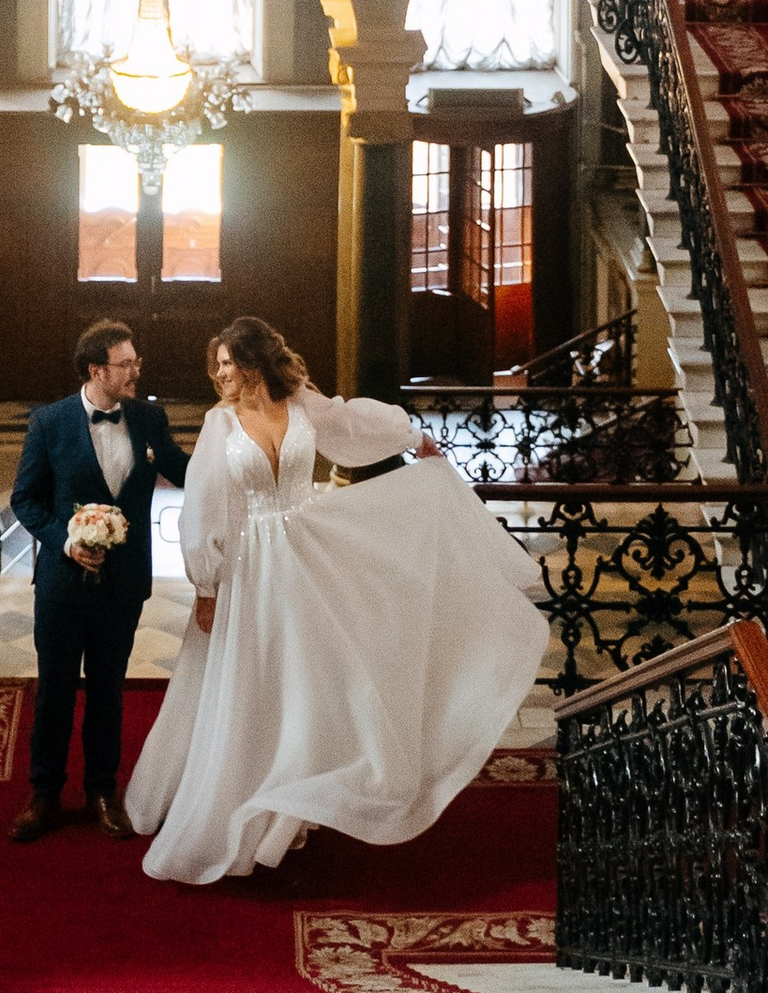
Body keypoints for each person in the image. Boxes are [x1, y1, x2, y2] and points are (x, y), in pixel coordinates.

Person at [124, 312, 547, 886]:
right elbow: (203, 508)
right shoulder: (220, 425)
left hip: (304, 553)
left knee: (307, 680)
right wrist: (206, 585)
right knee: (254, 679)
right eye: (217, 365)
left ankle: (291, 806)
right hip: (250, 570)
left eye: (229, 363)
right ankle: (241, 798)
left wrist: (412, 437)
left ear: (253, 363)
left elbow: (352, 424)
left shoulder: (301, 404)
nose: (220, 374)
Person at [8, 318, 190, 840]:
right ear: (96, 370)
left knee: (109, 690)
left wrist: (240, 465)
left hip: (124, 584)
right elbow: (26, 499)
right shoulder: (50, 423)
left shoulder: (148, 418)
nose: (136, 370)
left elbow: (180, 469)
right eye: (126, 363)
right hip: (64, 584)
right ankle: (43, 794)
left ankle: (103, 791)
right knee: (56, 690)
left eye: (136, 362)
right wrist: (65, 541)